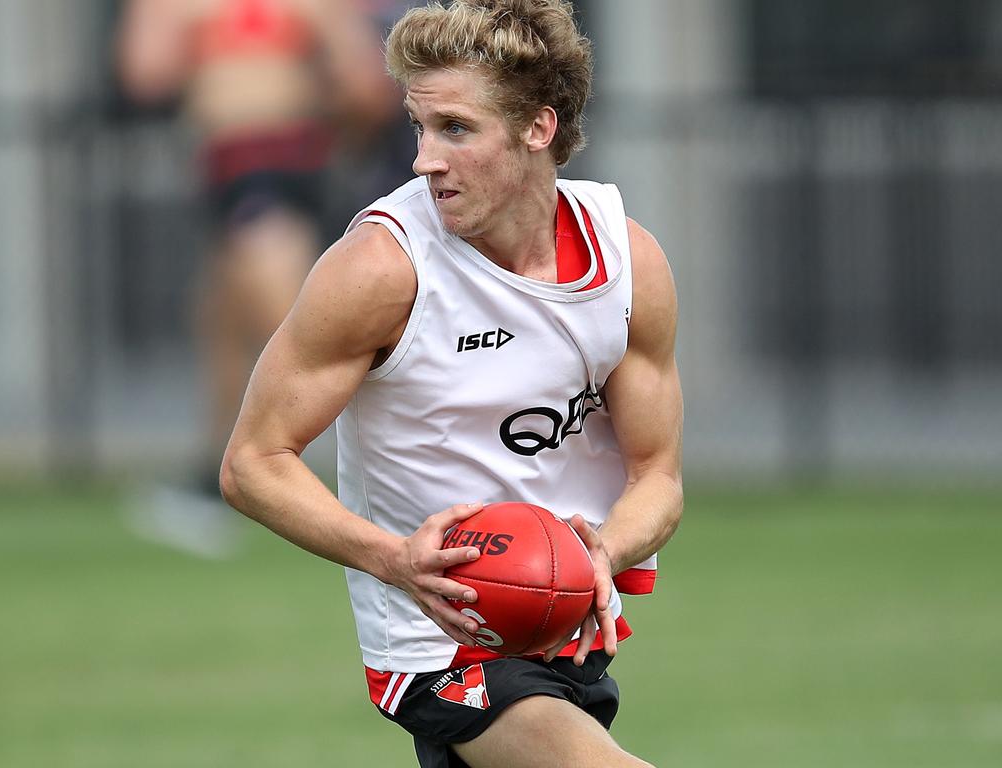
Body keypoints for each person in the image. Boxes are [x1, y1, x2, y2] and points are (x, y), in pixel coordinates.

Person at [221, 1, 683, 765]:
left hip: (562, 629)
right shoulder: (382, 269)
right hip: (436, 650)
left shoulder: (627, 262)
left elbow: (658, 477)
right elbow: (251, 464)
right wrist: (396, 560)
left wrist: (598, 552)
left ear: (538, 128)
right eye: (419, 127)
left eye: (456, 130)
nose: (423, 159)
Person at [115, 0, 399, 555]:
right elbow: (143, 73)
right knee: (222, 319)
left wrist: (316, 51)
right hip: (228, 160)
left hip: (278, 160)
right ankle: (210, 479)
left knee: (288, 315)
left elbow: (368, 85)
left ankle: (373, 473)